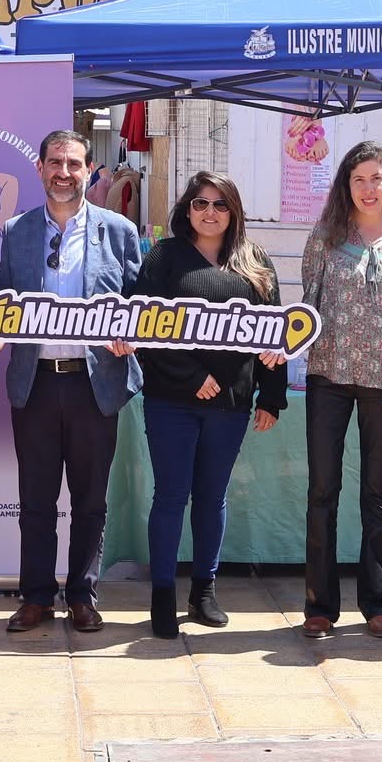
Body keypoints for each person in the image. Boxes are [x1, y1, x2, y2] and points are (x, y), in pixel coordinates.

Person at [0, 129, 143, 634]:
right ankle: (35, 596)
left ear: (88, 170)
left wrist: (132, 336)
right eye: (55, 162)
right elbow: (2, 310)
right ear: (39, 168)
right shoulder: (16, 231)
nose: (64, 172)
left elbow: (140, 306)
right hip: (34, 383)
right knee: (35, 499)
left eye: (74, 164)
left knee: (90, 499)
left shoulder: (119, 230)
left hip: (93, 384)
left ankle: (82, 594)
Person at [132, 171, 286, 638]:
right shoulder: (164, 257)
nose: (210, 212)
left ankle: (203, 592)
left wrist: (272, 396)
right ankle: (162, 595)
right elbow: (142, 324)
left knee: (212, 497)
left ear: (233, 211)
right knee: (171, 496)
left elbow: (273, 333)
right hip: (170, 400)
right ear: (187, 209)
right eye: (201, 203)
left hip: (233, 403)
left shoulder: (254, 261)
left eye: (220, 205)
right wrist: (191, 376)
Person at [298, 141, 382, 639]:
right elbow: (305, 312)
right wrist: (280, 349)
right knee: (322, 491)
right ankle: (319, 604)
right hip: (328, 377)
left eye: (377, 178)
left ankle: (380, 602)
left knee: (378, 493)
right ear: (345, 186)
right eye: (359, 179)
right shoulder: (325, 238)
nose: (368, 188)